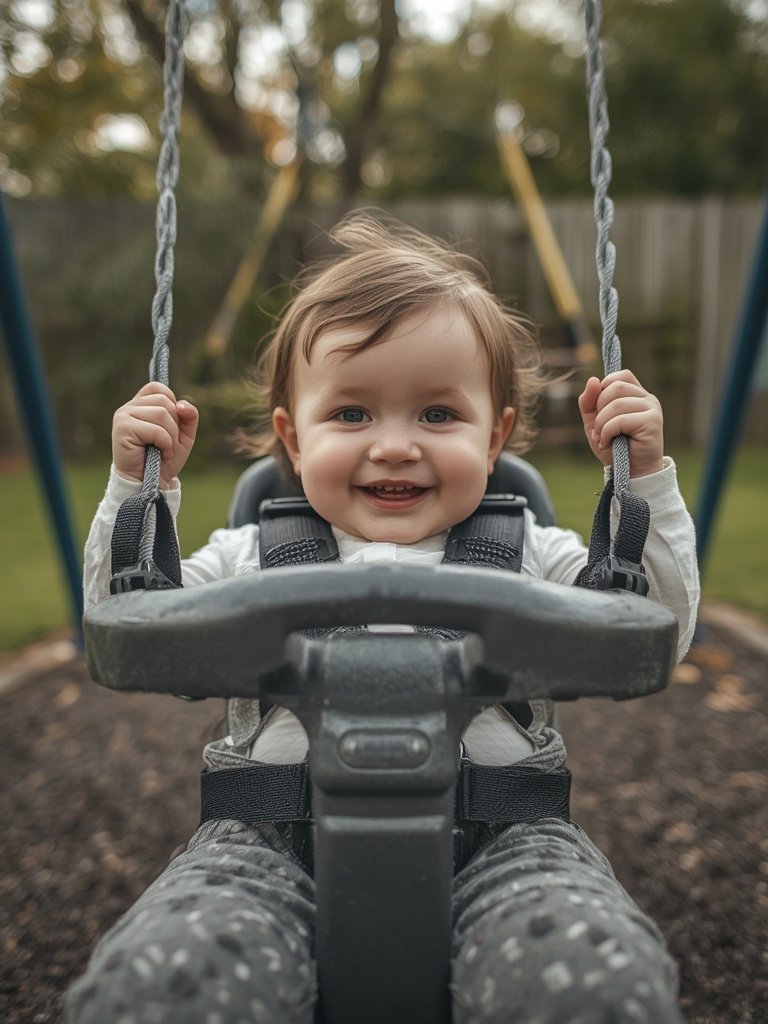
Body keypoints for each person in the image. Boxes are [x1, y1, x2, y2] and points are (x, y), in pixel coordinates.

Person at [67, 213, 699, 1024]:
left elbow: (649, 632)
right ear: (293, 440)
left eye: (437, 415)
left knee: (595, 981)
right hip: (266, 843)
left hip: (508, 842)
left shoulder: (532, 552)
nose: (395, 446)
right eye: (352, 414)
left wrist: (643, 483)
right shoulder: (249, 554)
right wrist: (137, 490)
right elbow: (124, 626)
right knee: (163, 983)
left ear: (495, 436)